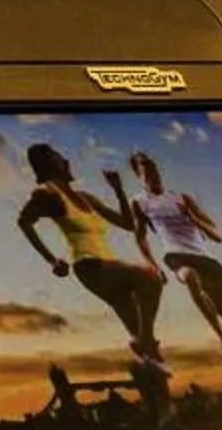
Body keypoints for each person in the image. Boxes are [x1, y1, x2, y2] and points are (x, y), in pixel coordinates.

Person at [16, 142, 166, 368]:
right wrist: (52, 260)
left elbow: (127, 224)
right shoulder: (47, 194)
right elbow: (24, 222)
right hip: (90, 266)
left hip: (107, 267)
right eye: (59, 157)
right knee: (150, 278)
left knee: (151, 354)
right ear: (50, 165)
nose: (67, 161)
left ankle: (148, 357)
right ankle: (145, 342)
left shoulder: (86, 198)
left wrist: (118, 190)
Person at [117, 150, 222, 376]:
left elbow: (217, 235)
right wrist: (154, 265)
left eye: (154, 169)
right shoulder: (139, 202)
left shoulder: (182, 198)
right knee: (189, 277)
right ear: (139, 176)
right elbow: (140, 237)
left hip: (207, 259)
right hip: (176, 256)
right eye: (145, 172)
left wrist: (192, 217)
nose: (152, 175)